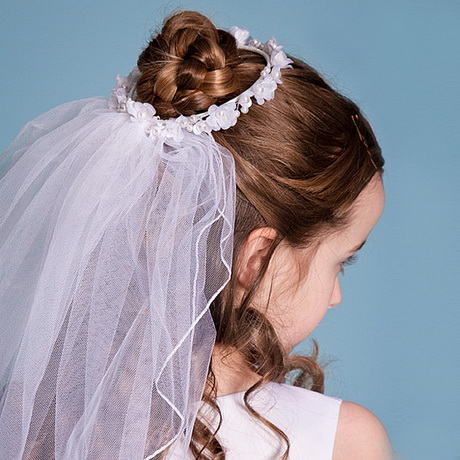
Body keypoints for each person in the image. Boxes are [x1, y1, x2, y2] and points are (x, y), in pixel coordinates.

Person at [0, 9, 392, 460]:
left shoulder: (36, 421)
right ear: (257, 258)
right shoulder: (343, 441)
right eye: (342, 260)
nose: (336, 295)